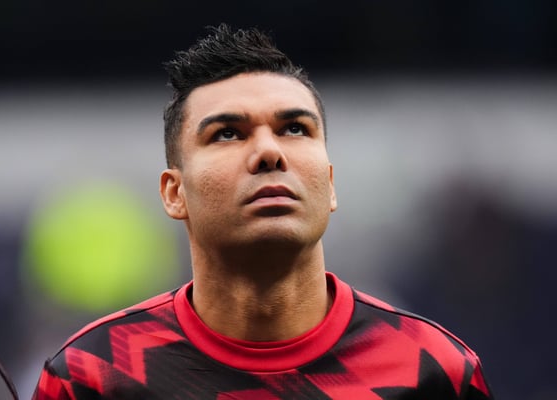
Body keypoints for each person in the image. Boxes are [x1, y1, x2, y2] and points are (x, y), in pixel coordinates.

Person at [32, 24, 494, 399]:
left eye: (294, 128)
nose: (270, 152)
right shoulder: (95, 376)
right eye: (227, 134)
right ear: (174, 193)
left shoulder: (434, 372)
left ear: (330, 184)